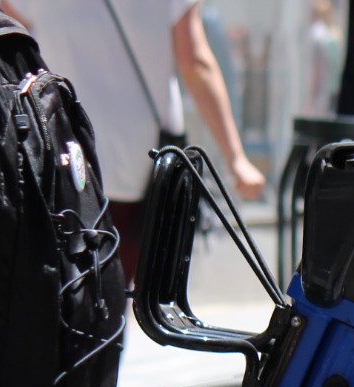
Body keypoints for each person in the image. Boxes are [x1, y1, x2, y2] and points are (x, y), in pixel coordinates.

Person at [16, 0, 264, 282]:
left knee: (60, 291)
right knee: (118, 291)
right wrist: (235, 158)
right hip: (140, 162)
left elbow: (6, 49)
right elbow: (194, 63)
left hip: (58, 154)